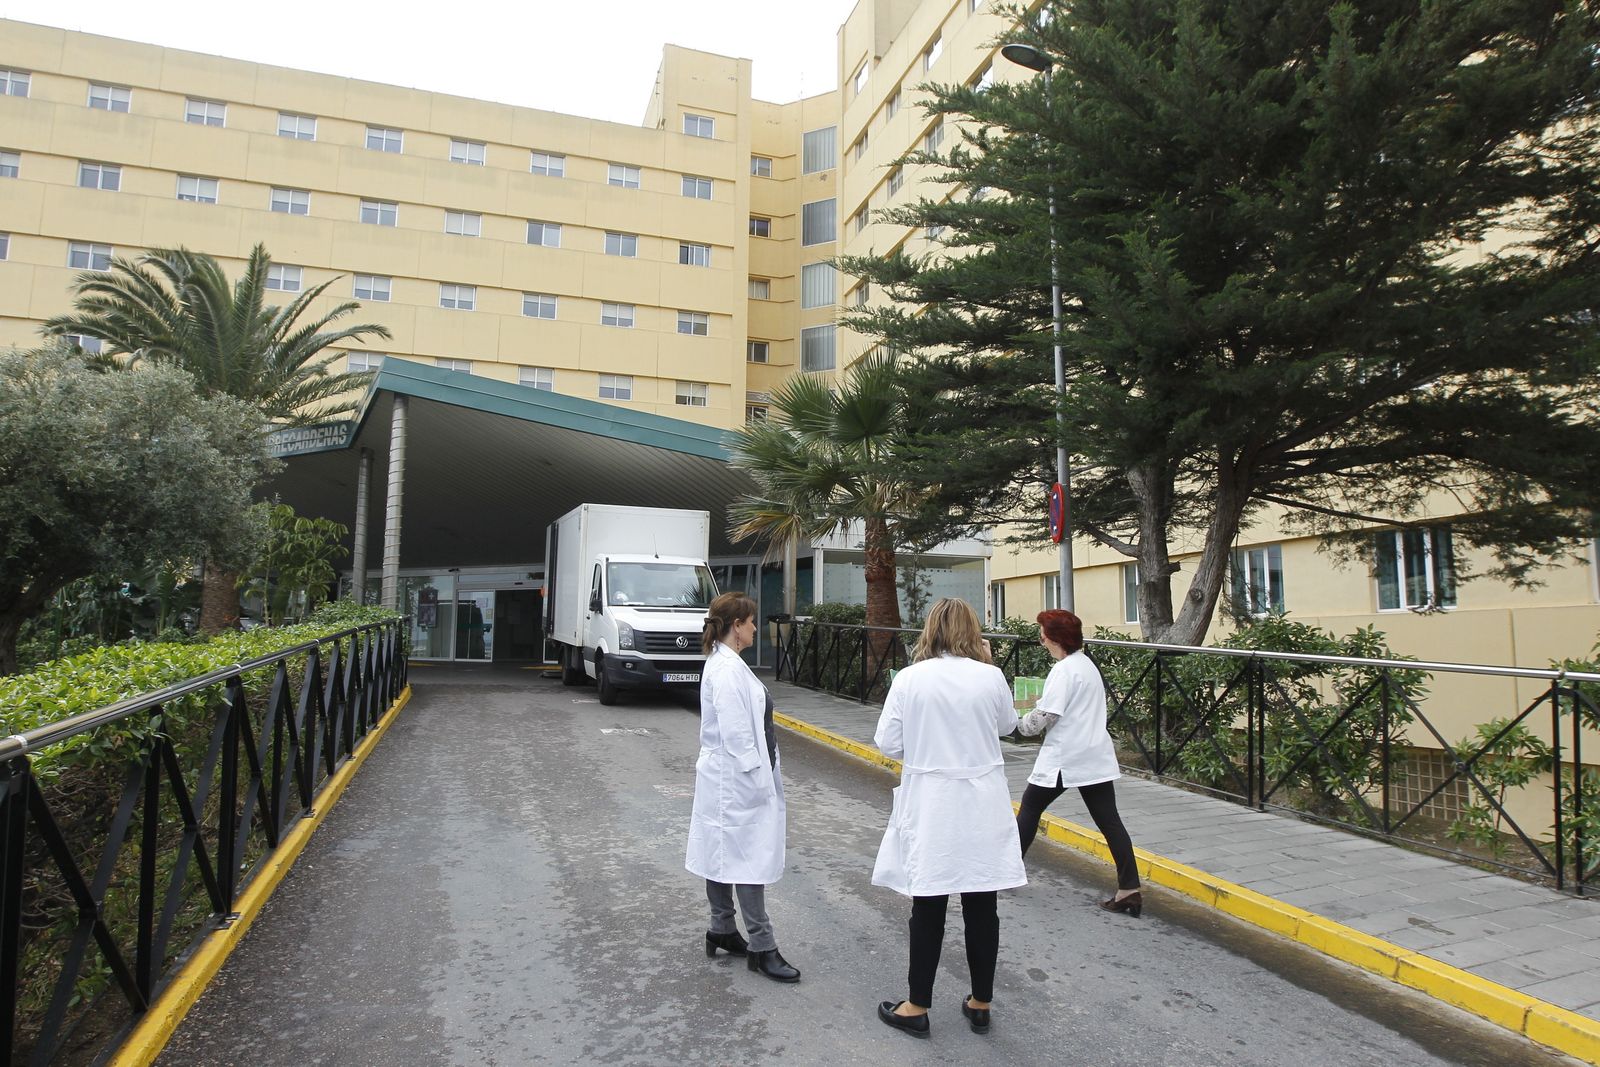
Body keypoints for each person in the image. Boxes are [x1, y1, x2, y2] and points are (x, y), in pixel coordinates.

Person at [871, 598, 1027, 1039]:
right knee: (982, 904)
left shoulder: (910, 678)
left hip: (933, 801)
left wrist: (925, 746)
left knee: (929, 903)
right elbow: (1007, 725)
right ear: (973, 631)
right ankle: (980, 1003)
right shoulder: (990, 676)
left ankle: (917, 1005)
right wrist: (989, 667)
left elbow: (888, 742)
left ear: (930, 630)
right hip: (981, 803)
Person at [685, 592, 800, 983]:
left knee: (720, 849)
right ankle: (762, 945)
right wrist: (758, 780)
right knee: (748, 856)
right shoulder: (726, 670)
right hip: (737, 778)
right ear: (737, 626)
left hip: (728, 778)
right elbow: (736, 733)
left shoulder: (726, 663)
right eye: (751, 622)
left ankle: (721, 927)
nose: (755, 628)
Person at [1014, 609, 1143, 917]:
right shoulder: (1087, 665)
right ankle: (1129, 888)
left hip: (1065, 756)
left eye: (1043, 635)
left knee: (1030, 808)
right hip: (1093, 754)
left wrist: (1020, 723)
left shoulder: (1063, 670)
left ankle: (1007, 870)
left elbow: (1047, 715)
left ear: (1054, 638)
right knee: (1110, 822)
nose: (1041, 640)